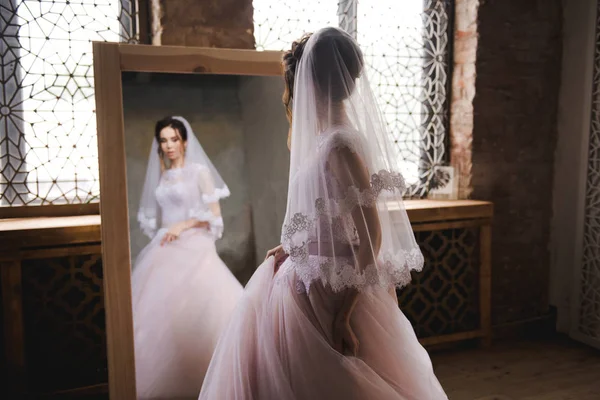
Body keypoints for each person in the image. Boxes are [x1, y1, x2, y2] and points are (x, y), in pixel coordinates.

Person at [199, 27, 448, 399]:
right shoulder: (325, 140)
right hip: (307, 283)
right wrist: (292, 246)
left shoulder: (339, 145)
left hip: (335, 295)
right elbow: (330, 217)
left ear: (310, 81)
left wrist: (344, 314)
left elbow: (371, 238)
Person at [133, 116, 243, 399]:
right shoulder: (164, 175)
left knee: (200, 311)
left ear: (184, 141)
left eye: (174, 139)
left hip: (194, 246)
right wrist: (170, 230)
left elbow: (214, 217)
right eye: (163, 140)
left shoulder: (199, 172)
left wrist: (184, 225)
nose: (169, 145)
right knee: (161, 315)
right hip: (166, 248)